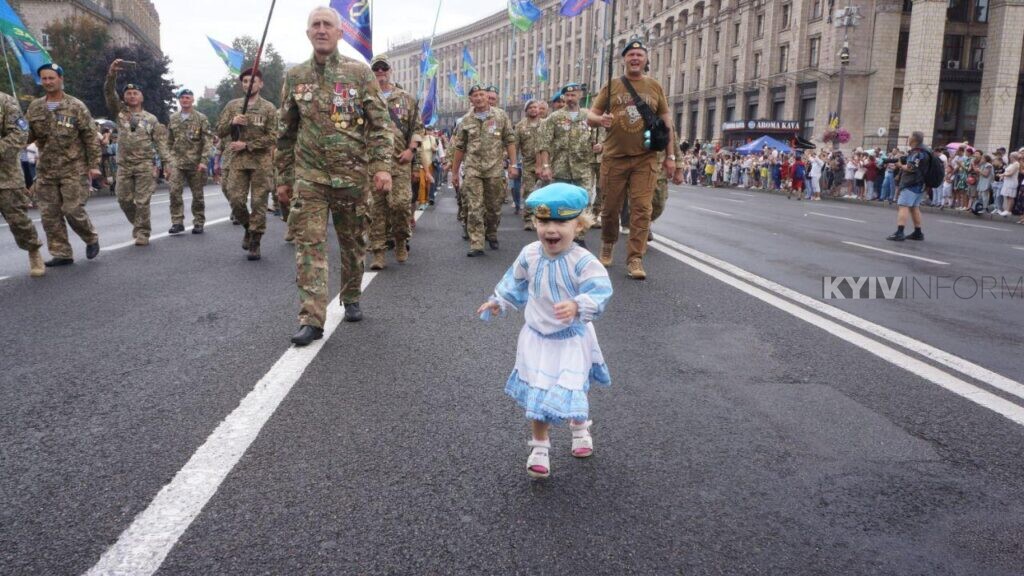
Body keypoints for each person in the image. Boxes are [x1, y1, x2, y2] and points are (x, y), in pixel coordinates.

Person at [476, 183, 612, 479]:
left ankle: (579, 429)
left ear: (579, 225)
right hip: (537, 338)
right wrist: (498, 301)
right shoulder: (530, 254)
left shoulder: (584, 261)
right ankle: (539, 447)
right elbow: (515, 281)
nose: (551, 229)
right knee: (539, 393)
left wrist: (578, 305)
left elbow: (601, 290)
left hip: (572, 338)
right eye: (544, 222)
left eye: (561, 222)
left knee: (572, 387)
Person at [276, 5, 393, 345]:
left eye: (328, 24)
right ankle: (311, 318)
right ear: (308, 32)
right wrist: (282, 178)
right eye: (316, 25)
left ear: (340, 33)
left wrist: (382, 165)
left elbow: (380, 124)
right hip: (310, 178)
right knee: (308, 246)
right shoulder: (295, 76)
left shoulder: (359, 74)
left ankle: (352, 295)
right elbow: (285, 132)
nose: (322, 29)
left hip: (352, 178)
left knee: (353, 243)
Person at [588, 38, 675, 280]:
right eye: (631, 55)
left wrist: (672, 157)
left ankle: (635, 258)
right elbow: (591, 115)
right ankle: (607, 243)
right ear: (624, 60)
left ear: (646, 60)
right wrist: (600, 120)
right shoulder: (611, 85)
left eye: (639, 54)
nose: (635, 58)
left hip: (645, 159)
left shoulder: (655, 87)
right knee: (610, 209)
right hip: (614, 157)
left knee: (641, 210)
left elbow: (667, 123)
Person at [26, 63, 101, 266]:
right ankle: (61, 252)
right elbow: (27, 135)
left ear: (61, 79)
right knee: (49, 214)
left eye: (52, 78)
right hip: (46, 170)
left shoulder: (76, 106)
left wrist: (94, 165)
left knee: (72, 210)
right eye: (44, 79)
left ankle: (91, 237)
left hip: (73, 168)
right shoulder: (35, 107)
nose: (48, 82)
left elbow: (90, 137)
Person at [105, 59, 173, 246]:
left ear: (141, 97)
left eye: (136, 93)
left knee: (142, 201)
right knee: (123, 199)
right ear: (125, 97)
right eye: (128, 93)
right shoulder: (119, 112)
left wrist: (167, 164)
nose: (132, 96)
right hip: (124, 165)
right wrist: (112, 75)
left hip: (144, 164)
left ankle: (143, 232)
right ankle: (139, 224)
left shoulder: (151, 119)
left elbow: (161, 143)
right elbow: (109, 94)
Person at [218, 66, 279, 260]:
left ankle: (255, 242)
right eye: (244, 81)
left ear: (260, 83)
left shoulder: (269, 108)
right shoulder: (232, 106)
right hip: (238, 161)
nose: (248, 84)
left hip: (260, 162)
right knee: (235, 200)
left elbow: (274, 136)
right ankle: (248, 227)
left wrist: (248, 144)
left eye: (252, 81)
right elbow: (219, 131)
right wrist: (232, 122)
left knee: (259, 203)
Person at [368, 54, 423, 270]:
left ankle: (400, 240)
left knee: (400, 205)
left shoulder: (406, 98)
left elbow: (418, 129)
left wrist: (411, 151)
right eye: (376, 68)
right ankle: (378, 253)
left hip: (399, 162)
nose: (380, 71)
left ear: (390, 70)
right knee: (375, 210)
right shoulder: (366, 96)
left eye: (384, 68)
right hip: (373, 163)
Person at [451, 84, 517, 256]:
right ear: (470, 100)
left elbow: (510, 140)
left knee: (494, 206)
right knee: (474, 206)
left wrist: (513, 164)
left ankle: (492, 232)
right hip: (473, 169)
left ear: (488, 97)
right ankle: (477, 242)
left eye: (482, 95)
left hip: (494, 169)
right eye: (475, 96)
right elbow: (460, 147)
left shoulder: (501, 116)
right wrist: (454, 172)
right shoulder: (466, 120)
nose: (479, 98)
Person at [537, 83, 593, 243]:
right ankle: (563, 237)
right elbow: (544, 143)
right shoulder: (555, 118)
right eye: (567, 96)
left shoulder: (588, 116)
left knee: (583, 202)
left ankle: (579, 238)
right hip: (561, 169)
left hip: (582, 168)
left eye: (573, 95)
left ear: (580, 96)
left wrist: (600, 145)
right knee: (561, 204)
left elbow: (602, 135)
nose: (570, 98)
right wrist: (545, 166)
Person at [0, 89, 44, 276]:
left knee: (18, 220)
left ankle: (33, 250)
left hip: (6, 175)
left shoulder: (5, 101)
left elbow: (20, 132)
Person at [167, 88, 213, 234]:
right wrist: (167, 162)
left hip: (195, 162)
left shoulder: (201, 118)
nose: (185, 100)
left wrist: (204, 161)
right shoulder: (173, 118)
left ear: (192, 100)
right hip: (177, 162)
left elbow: (207, 141)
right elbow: (168, 141)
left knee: (197, 195)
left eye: (187, 98)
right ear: (179, 100)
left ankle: (199, 221)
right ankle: (177, 221)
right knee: (174, 192)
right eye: (182, 98)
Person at [887, 131, 929, 241]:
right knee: (914, 207)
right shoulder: (926, 151)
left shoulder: (917, 152)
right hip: (921, 184)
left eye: (909, 137)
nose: (908, 138)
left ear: (914, 139)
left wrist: (900, 165)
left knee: (903, 206)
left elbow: (911, 168)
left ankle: (900, 232)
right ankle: (918, 232)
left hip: (911, 184)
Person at [514, 99, 544, 230]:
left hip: (544, 162)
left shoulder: (545, 124)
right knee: (529, 191)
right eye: (530, 107)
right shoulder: (520, 126)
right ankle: (528, 218)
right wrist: (513, 163)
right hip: (528, 163)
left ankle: (542, 218)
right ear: (526, 110)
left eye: (536, 107)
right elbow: (515, 146)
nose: (533, 109)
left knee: (543, 192)